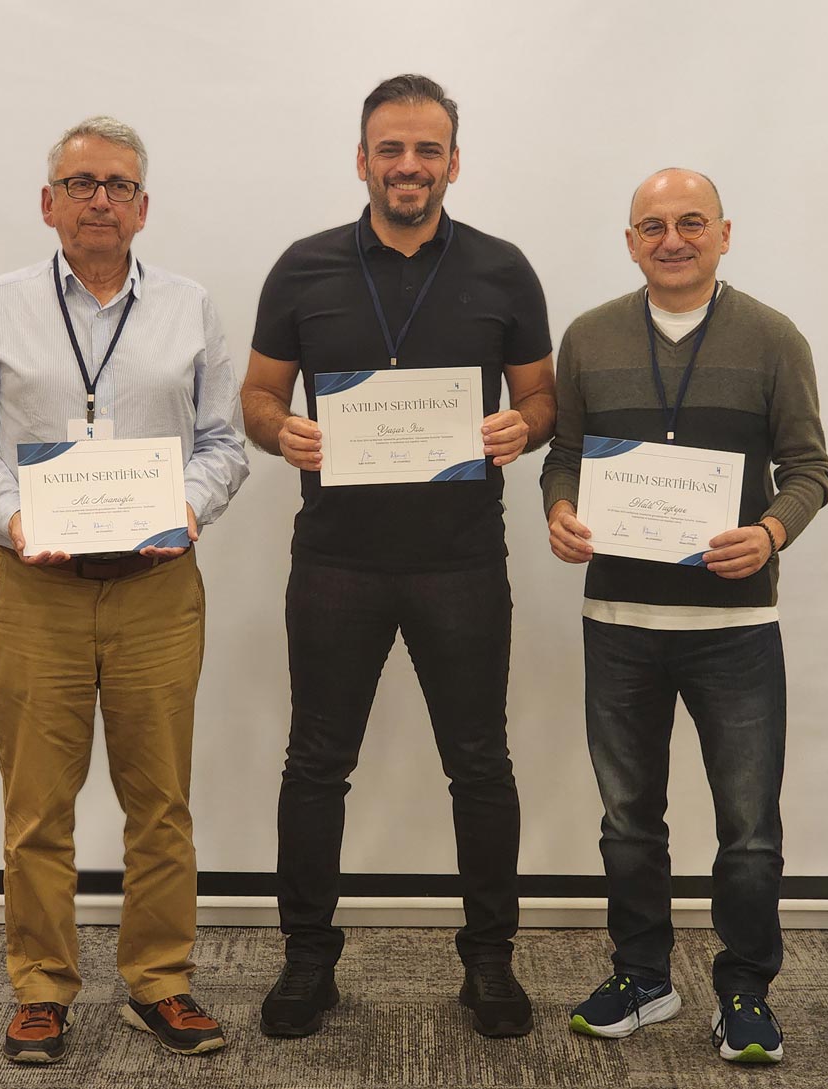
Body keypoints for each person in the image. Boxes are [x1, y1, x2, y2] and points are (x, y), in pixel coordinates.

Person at [241, 74, 555, 1040]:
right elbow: (258, 397)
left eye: (427, 150)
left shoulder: (504, 269)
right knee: (315, 764)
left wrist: (523, 427)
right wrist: (282, 431)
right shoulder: (302, 267)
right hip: (336, 561)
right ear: (362, 160)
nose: (408, 166)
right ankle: (307, 960)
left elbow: (543, 399)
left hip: (462, 563)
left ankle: (490, 961)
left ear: (453, 162)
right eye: (391, 149)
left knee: (481, 765)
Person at [0, 116, 248, 1064]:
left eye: (118, 185)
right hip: (35, 589)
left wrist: (188, 507)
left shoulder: (190, 306)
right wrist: (14, 517)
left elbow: (223, 442)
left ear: (144, 207)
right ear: (49, 203)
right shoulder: (0, 305)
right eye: (81, 184)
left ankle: (160, 981)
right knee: (38, 807)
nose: (100, 200)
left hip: (157, 587)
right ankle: (41, 988)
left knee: (162, 802)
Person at [541, 167, 828, 1065]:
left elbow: (809, 469)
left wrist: (771, 532)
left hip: (734, 630)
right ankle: (643, 977)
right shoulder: (588, 337)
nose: (673, 239)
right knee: (628, 821)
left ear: (724, 234)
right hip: (619, 621)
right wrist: (559, 509)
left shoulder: (773, 337)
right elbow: (562, 455)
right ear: (631, 242)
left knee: (749, 829)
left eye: (692, 222)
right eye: (654, 226)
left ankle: (745, 990)